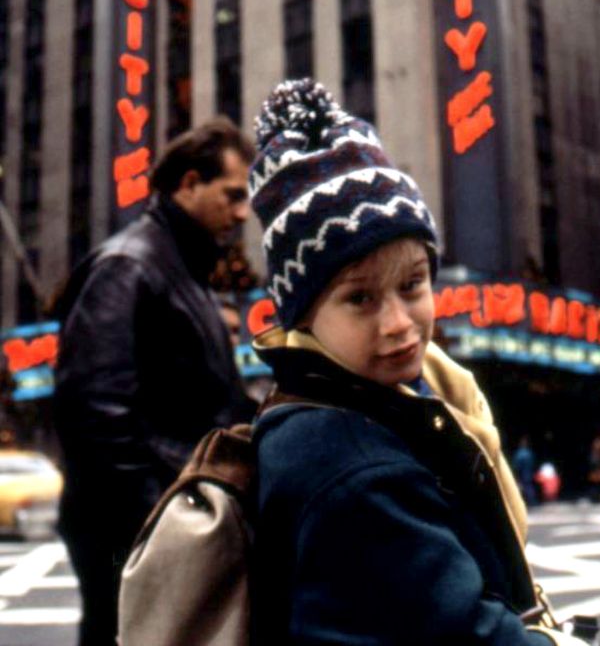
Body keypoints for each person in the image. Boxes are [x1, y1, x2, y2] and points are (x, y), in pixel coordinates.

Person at [248, 79, 584, 645]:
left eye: (412, 284)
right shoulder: (352, 470)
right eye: (360, 299)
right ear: (303, 314)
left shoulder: (383, 406)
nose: (399, 323)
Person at [53, 117, 257, 646]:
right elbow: (95, 413)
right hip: (143, 528)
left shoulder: (179, 271)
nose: (242, 213)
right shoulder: (130, 266)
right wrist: (157, 521)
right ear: (189, 183)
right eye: (232, 195)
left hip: (172, 522)